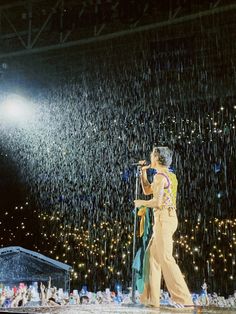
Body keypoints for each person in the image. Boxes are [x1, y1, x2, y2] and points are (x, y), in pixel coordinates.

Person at [134, 146, 194, 309]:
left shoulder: (160, 177)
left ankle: (184, 299)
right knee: (152, 257)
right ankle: (152, 300)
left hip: (164, 219)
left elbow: (157, 202)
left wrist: (141, 203)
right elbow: (148, 190)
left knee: (166, 258)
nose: (149, 158)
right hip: (166, 219)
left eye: (151, 155)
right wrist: (143, 173)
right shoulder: (169, 175)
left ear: (156, 158)